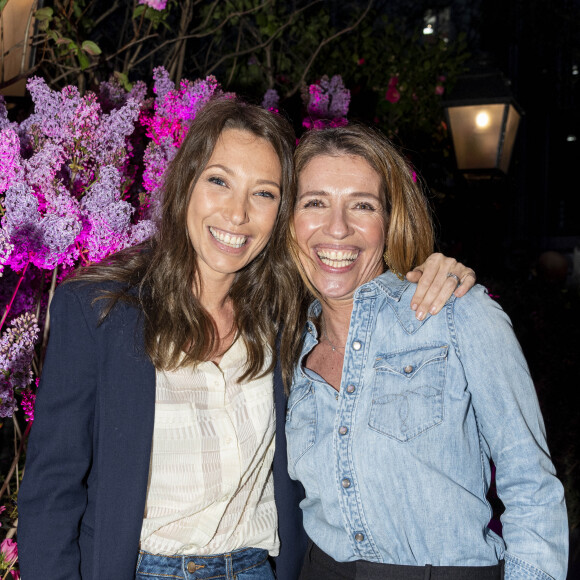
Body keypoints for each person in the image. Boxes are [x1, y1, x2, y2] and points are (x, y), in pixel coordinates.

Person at [17, 98, 475, 580]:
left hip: (258, 569)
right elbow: (53, 489)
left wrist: (434, 270)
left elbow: (360, 279)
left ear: (281, 213)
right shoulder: (99, 309)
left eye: (264, 193)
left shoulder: (288, 314)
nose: (237, 214)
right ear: (186, 184)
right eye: (219, 181)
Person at [283, 124, 568, 580]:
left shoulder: (455, 313)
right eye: (314, 202)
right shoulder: (284, 343)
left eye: (362, 205)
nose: (337, 227)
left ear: (390, 221)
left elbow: (531, 485)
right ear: (289, 221)